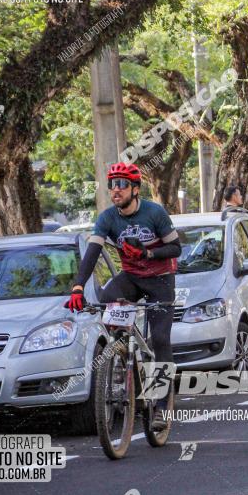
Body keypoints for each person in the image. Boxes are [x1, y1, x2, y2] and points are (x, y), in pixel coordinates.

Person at [65, 162, 181, 431]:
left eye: (122, 185)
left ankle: (162, 408)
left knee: (161, 338)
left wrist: (149, 254)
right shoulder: (107, 217)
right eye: (112, 185)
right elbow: (92, 253)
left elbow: (176, 248)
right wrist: (78, 287)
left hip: (161, 279)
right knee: (106, 299)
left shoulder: (154, 212)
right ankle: (121, 356)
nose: (115, 190)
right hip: (131, 277)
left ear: (135, 189)